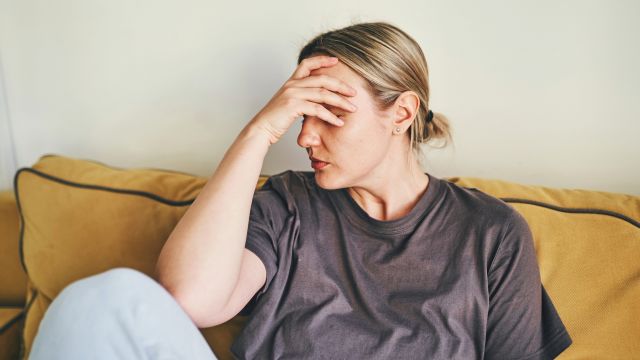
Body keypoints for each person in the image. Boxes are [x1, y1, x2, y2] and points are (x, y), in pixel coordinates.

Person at [30, 21, 573, 360]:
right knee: (102, 299)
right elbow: (192, 300)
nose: (306, 136)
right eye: (300, 115)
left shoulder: (491, 232)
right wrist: (259, 131)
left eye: (330, 114)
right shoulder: (288, 203)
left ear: (401, 113)